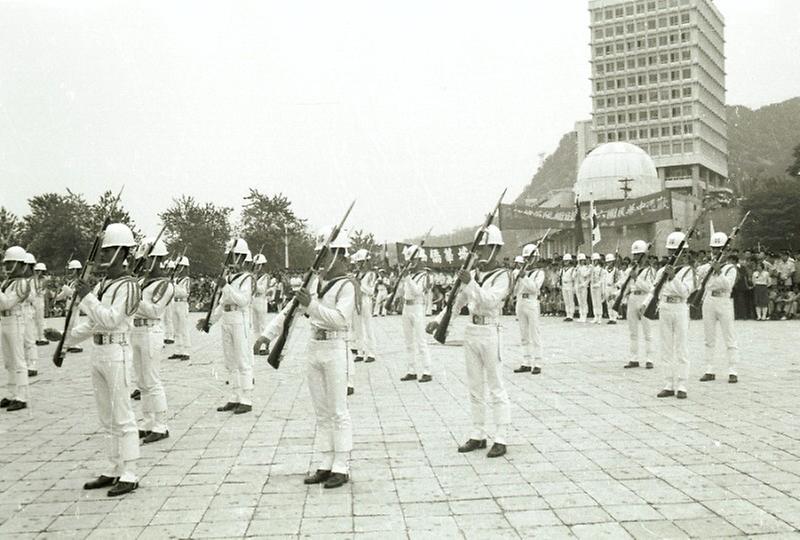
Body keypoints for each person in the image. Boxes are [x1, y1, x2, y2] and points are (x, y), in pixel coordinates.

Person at [255, 226, 356, 489]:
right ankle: (325, 463)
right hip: (314, 348)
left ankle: (341, 466)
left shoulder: (346, 286)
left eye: (327, 255)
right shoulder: (315, 283)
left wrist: (312, 305)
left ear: (340, 256)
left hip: (335, 348)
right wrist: (267, 334)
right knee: (321, 411)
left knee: (338, 410)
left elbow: (340, 320)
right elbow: (291, 310)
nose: (321, 260)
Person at [59, 223, 142, 496]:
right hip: (99, 351)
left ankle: (129, 472)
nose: (104, 257)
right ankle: (113, 467)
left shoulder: (129, 286)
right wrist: (65, 338)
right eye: (104, 251)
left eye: (110, 251)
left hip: (117, 351)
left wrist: (86, 297)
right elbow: (95, 324)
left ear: (123, 252)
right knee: (106, 416)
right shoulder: (106, 284)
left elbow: (110, 319)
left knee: (122, 414)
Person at [429, 224, 511, 458]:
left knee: (496, 386)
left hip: (490, 329)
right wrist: (439, 320)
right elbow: (458, 302)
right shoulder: (474, 275)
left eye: (484, 249)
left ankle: (501, 437)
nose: (479, 254)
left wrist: (470, 282)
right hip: (472, 330)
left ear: (495, 248)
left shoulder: (503, 276)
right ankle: (478, 433)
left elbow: (489, 301)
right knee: (475, 386)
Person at [197, 238, 255, 414]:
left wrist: (226, 287)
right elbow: (222, 304)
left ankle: (246, 399)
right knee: (230, 361)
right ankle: (234, 396)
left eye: (233, 256)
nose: (229, 260)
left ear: (241, 257)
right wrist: (209, 321)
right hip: (228, 319)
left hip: (240, 317)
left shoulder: (247, 278)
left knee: (242, 359)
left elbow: (243, 301)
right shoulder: (229, 278)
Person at [130, 237, 174, 443]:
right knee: (141, 381)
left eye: (147, 260)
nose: (143, 264)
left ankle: (161, 424)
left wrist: (134, 297)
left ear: (157, 260)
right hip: (136, 331)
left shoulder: (164, 284)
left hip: (151, 331)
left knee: (152, 380)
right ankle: (147, 422)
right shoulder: (139, 282)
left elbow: (154, 310)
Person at [646, 232, 696, 399]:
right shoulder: (662, 270)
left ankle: (682, 384)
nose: (673, 254)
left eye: (677, 251)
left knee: (681, 348)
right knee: (666, 348)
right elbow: (655, 290)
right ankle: (668, 383)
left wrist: (673, 278)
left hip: (680, 307)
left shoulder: (689, 271)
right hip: (665, 307)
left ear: (685, 253)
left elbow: (685, 293)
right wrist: (645, 305)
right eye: (670, 250)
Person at [697, 233, 739, 384]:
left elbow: (728, 285)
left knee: (729, 336)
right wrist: (710, 268)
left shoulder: (730, 268)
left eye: (719, 248)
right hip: (709, 300)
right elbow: (700, 280)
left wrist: (718, 272)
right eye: (713, 248)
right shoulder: (706, 267)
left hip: (724, 300)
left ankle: (733, 370)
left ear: (726, 251)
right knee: (709, 338)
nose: (715, 251)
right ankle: (709, 370)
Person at [1, 246, 32, 412]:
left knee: (18, 359)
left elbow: (7, 303)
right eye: (7, 263)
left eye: (12, 263)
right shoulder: (8, 282)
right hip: (4, 320)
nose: (8, 266)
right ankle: (12, 392)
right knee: (8, 360)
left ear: (21, 265)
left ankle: (22, 396)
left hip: (15, 319)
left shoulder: (21, 283)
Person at [398, 245, 433, 383]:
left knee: (421, 340)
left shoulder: (424, 275)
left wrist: (407, 278)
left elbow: (418, 291)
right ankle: (411, 369)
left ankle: (427, 370)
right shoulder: (411, 275)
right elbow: (404, 292)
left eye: (413, 261)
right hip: (407, 307)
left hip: (417, 307)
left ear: (418, 260)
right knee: (408, 341)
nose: (410, 263)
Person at [513, 243, 545, 375]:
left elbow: (535, 288)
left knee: (534, 333)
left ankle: (537, 362)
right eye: (526, 258)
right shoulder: (518, 272)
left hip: (532, 302)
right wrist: (517, 277)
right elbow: (514, 290)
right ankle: (526, 362)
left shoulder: (539, 273)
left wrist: (524, 277)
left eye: (530, 258)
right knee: (523, 334)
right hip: (521, 302)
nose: (528, 260)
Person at [623, 242, 656, 369]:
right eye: (635, 255)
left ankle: (649, 359)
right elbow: (625, 285)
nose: (636, 258)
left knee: (647, 331)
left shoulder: (650, 271)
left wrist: (637, 278)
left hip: (644, 298)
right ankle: (634, 358)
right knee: (633, 331)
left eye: (639, 255)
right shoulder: (630, 270)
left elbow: (649, 288)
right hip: (632, 298)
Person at [351, 249, 377, 364]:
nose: (358, 265)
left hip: (366, 300)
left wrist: (358, 284)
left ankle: (371, 352)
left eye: (360, 262)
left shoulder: (371, 274)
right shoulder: (357, 274)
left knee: (368, 327)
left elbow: (370, 290)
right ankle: (360, 351)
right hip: (356, 300)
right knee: (357, 328)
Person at [169, 256, 192, 360]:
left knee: (183, 328)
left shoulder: (186, 280)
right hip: (175, 303)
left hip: (182, 303)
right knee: (176, 328)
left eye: (180, 266)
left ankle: (186, 351)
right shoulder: (175, 279)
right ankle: (178, 350)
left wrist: (174, 286)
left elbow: (185, 293)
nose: (178, 269)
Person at [251, 253, 270, 353]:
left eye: (259, 265)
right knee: (255, 325)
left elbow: (262, 289)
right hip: (254, 301)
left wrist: (254, 283)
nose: (258, 267)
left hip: (261, 301)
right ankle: (256, 344)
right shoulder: (254, 275)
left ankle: (264, 346)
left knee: (262, 324)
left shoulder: (265, 277)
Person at [32, 262, 49, 346]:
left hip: (40, 300)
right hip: (34, 299)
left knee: (41, 320)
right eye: (38, 270)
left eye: (41, 271)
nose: (39, 272)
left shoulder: (45, 279)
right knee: (33, 320)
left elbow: (44, 292)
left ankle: (42, 337)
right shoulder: (33, 279)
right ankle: (35, 337)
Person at [603, 253, 620, 324]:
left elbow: (618, 280)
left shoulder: (616, 270)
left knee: (613, 302)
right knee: (608, 303)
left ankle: (614, 318)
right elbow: (604, 279)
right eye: (607, 262)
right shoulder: (605, 270)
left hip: (613, 287)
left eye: (610, 262)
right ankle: (610, 317)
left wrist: (616, 284)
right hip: (607, 287)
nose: (609, 263)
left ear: (613, 262)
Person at [575, 253, 591, 323]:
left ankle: (584, 315)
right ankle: (581, 315)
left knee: (584, 301)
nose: (581, 261)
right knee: (580, 302)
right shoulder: (577, 268)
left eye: (582, 260)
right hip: (578, 286)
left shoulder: (586, 268)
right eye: (580, 260)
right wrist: (576, 270)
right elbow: (574, 277)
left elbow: (586, 276)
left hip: (583, 286)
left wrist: (584, 284)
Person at [589, 253, 605, 324]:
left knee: (598, 302)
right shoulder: (592, 269)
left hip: (598, 287)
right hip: (592, 286)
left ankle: (600, 317)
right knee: (594, 302)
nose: (594, 262)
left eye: (595, 261)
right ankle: (595, 316)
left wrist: (598, 284)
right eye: (593, 261)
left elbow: (602, 279)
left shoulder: (601, 270)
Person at [560, 254, 576, 321]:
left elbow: (574, 278)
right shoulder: (562, 269)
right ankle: (567, 314)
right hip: (564, 285)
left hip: (570, 285)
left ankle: (571, 315)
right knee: (566, 300)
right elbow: (560, 277)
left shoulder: (573, 269)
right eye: (565, 261)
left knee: (570, 300)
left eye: (567, 261)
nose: (566, 262)